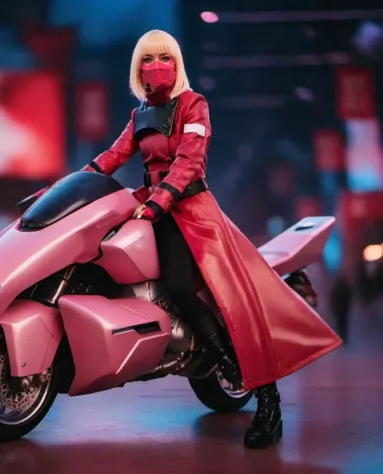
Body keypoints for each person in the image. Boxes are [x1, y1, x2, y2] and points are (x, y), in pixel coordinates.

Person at [77, 29, 342, 448]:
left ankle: (262, 398)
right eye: (147, 59)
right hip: (152, 210)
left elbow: (188, 162)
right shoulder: (139, 114)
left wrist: (163, 198)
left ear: (177, 62)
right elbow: (111, 157)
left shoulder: (193, 104)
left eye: (163, 57)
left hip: (191, 211)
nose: (155, 66)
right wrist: (66, 188)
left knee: (212, 294)